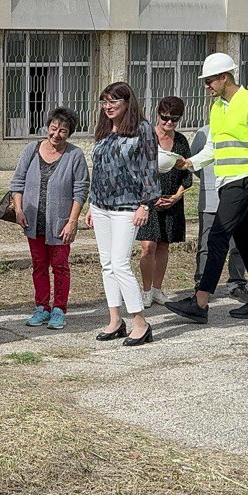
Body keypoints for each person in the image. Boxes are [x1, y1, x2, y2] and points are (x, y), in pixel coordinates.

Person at [166, 52, 248, 324]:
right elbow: (213, 147)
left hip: (246, 179)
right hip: (227, 181)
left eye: (209, 81)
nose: (206, 87)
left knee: (218, 236)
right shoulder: (218, 107)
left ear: (224, 77)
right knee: (245, 240)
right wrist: (189, 163)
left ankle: (200, 302)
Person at [85, 82, 159, 347]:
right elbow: (100, 169)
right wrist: (91, 204)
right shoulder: (105, 129)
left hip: (128, 206)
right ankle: (115, 320)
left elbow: (151, 168)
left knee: (120, 263)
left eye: (114, 101)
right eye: (104, 102)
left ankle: (140, 322)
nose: (108, 107)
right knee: (107, 264)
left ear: (128, 102)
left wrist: (146, 204)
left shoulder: (143, 129)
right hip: (101, 205)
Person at [8, 107, 89, 330]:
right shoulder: (31, 150)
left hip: (60, 222)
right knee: (38, 265)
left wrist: (72, 221)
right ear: (47, 127)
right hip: (33, 220)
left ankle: (59, 309)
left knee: (60, 266)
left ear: (69, 133)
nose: (56, 134)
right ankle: (41, 307)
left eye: (63, 131)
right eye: (53, 128)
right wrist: (19, 209)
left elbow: (80, 190)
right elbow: (17, 183)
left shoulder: (75, 155)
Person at [138, 96, 193, 308]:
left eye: (174, 119)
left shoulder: (180, 141)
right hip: (148, 201)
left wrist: (177, 196)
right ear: (157, 114)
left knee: (163, 245)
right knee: (148, 246)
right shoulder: (146, 137)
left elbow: (186, 173)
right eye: (165, 118)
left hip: (171, 199)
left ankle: (157, 290)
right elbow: (136, 170)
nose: (168, 123)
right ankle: (145, 290)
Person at [192, 124, 248, 298]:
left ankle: (237, 283)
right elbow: (195, 162)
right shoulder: (204, 132)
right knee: (206, 243)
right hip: (211, 196)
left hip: (240, 195)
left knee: (238, 244)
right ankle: (202, 283)